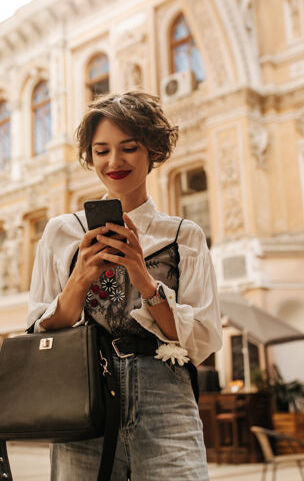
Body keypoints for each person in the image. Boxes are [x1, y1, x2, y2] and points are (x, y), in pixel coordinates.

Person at [26, 91, 222, 480]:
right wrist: (80, 277)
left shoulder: (185, 236)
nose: (114, 162)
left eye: (128, 148)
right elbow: (38, 329)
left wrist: (142, 276)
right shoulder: (61, 232)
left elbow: (201, 341)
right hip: (83, 394)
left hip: (165, 397)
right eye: (101, 151)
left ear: (152, 151)